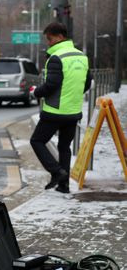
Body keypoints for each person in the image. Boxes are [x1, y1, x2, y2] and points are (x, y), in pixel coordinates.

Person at [30, 21, 92, 193]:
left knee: (36, 141)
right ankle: (64, 186)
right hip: (73, 112)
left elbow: (51, 85)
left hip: (54, 112)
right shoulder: (82, 56)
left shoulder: (57, 58)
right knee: (64, 147)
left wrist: (36, 92)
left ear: (59, 37)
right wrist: (73, 96)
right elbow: (86, 83)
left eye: (50, 39)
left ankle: (56, 172)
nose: (48, 43)